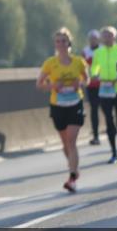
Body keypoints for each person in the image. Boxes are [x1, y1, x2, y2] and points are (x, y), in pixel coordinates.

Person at [37, 27, 88, 192]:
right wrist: (53, 85)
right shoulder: (50, 63)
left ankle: (72, 178)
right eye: (58, 41)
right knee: (65, 143)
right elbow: (39, 84)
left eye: (64, 41)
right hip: (58, 105)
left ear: (69, 43)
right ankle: (74, 168)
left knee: (71, 141)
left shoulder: (78, 62)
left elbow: (86, 80)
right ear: (55, 44)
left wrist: (79, 83)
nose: (61, 44)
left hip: (75, 103)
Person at [90, 26, 117, 164]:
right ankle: (114, 153)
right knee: (109, 121)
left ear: (115, 37)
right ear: (101, 38)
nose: (107, 38)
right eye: (105, 35)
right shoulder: (98, 52)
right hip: (105, 90)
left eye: (110, 35)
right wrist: (95, 75)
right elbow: (94, 67)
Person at [83, 30, 103, 145]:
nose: (93, 40)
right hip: (91, 85)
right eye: (91, 38)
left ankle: (115, 127)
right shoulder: (85, 51)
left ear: (98, 39)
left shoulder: (103, 50)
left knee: (106, 109)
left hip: (104, 84)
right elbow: (83, 67)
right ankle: (96, 136)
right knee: (94, 110)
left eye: (95, 38)